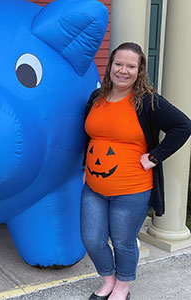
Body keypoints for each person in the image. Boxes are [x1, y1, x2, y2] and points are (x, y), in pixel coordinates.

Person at [81, 42, 191, 300]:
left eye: (131, 66)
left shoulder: (148, 102)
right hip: (93, 188)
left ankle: (122, 286)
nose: (123, 70)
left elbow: (183, 126)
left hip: (132, 189)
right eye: (118, 64)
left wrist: (155, 157)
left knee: (123, 242)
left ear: (140, 70)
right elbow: (88, 137)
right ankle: (108, 279)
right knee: (92, 240)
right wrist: (84, 165)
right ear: (110, 67)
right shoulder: (96, 98)